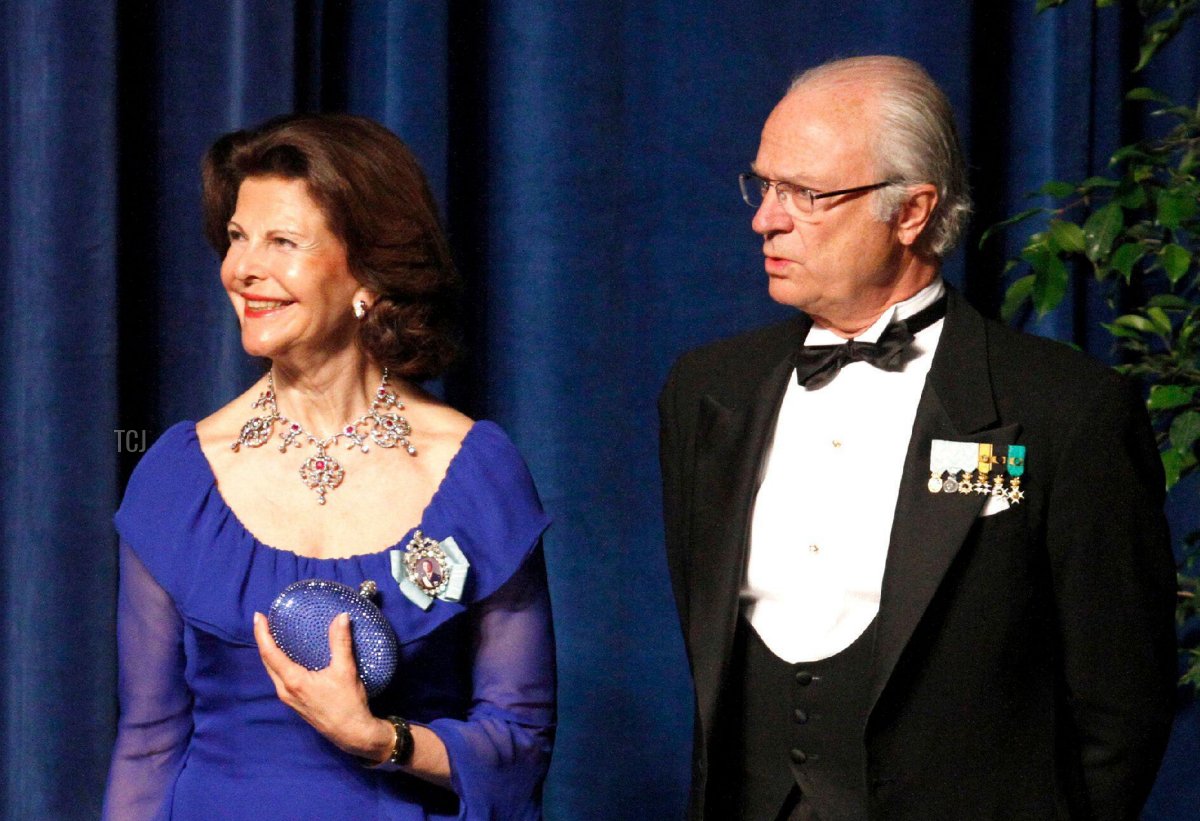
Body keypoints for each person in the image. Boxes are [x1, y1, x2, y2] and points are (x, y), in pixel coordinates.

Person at [659, 56, 1177, 820]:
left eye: (807, 193)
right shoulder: (706, 393)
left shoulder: (1065, 410)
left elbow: (1121, 702)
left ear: (911, 211)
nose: (766, 218)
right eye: (765, 185)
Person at [104, 113, 555, 820]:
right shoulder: (179, 478)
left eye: (282, 242)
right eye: (236, 237)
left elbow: (521, 745)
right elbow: (147, 745)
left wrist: (381, 740)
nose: (241, 269)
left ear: (368, 275)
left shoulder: (475, 472)